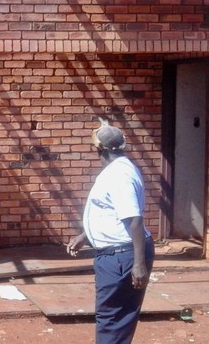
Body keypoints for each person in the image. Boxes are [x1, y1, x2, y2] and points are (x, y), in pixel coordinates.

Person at [66, 120, 155, 344]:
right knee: (117, 317)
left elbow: (133, 218)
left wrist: (138, 263)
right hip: (119, 254)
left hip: (120, 257)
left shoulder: (118, 176)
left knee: (111, 317)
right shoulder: (120, 169)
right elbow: (112, 213)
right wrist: (86, 236)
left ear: (99, 149)